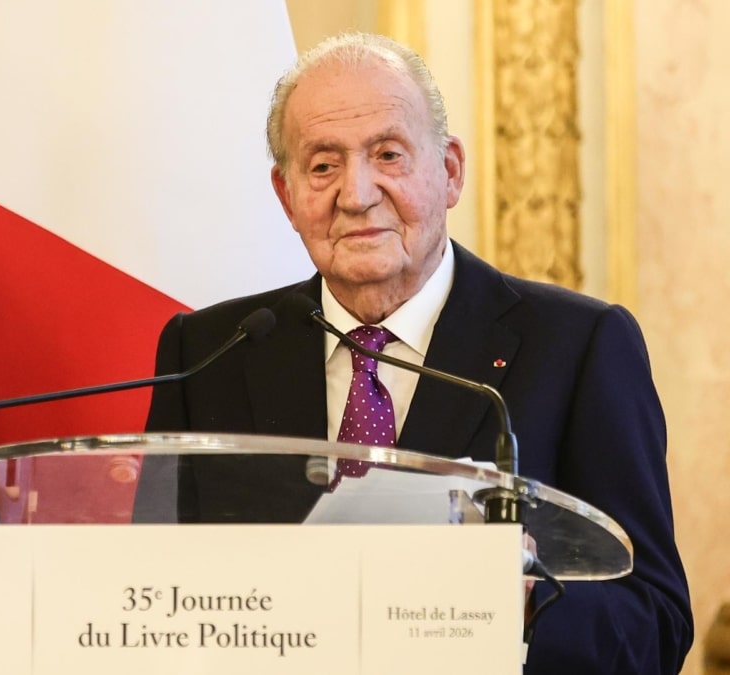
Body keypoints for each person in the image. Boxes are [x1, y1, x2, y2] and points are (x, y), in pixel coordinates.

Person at [138, 32, 692, 674]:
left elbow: (656, 624)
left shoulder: (579, 347)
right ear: (286, 196)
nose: (356, 192)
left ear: (451, 170)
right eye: (322, 165)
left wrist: (525, 605)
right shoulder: (209, 352)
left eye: (389, 155)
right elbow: (151, 590)